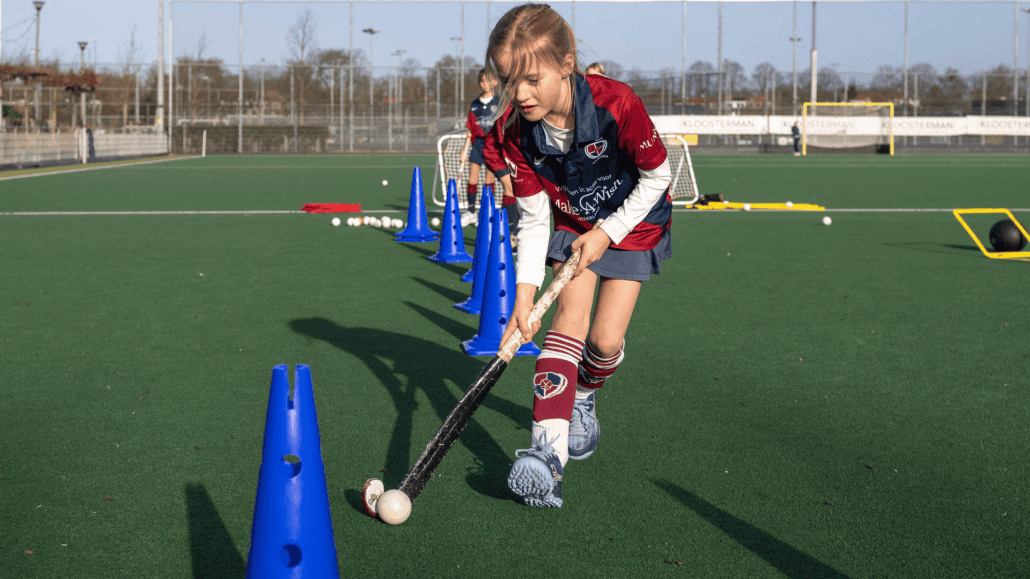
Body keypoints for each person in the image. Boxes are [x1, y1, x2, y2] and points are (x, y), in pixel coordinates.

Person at [487, 3, 672, 508]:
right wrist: (523, 298)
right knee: (565, 322)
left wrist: (609, 231)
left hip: (634, 220)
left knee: (606, 342)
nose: (520, 94)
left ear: (566, 64)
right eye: (509, 81)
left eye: (531, 79)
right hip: (571, 225)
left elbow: (659, 176)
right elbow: (530, 218)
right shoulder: (512, 132)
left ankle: (585, 396)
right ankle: (546, 457)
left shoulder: (619, 104)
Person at [463, 69, 503, 226]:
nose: (485, 84)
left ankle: (487, 212)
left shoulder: (499, 102)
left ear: (495, 82)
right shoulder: (474, 104)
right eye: (482, 81)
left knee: (489, 178)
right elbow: (469, 128)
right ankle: (471, 212)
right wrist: (464, 150)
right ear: (479, 83)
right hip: (478, 143)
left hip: (493, 144)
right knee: (472, 177)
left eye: (489, 81)